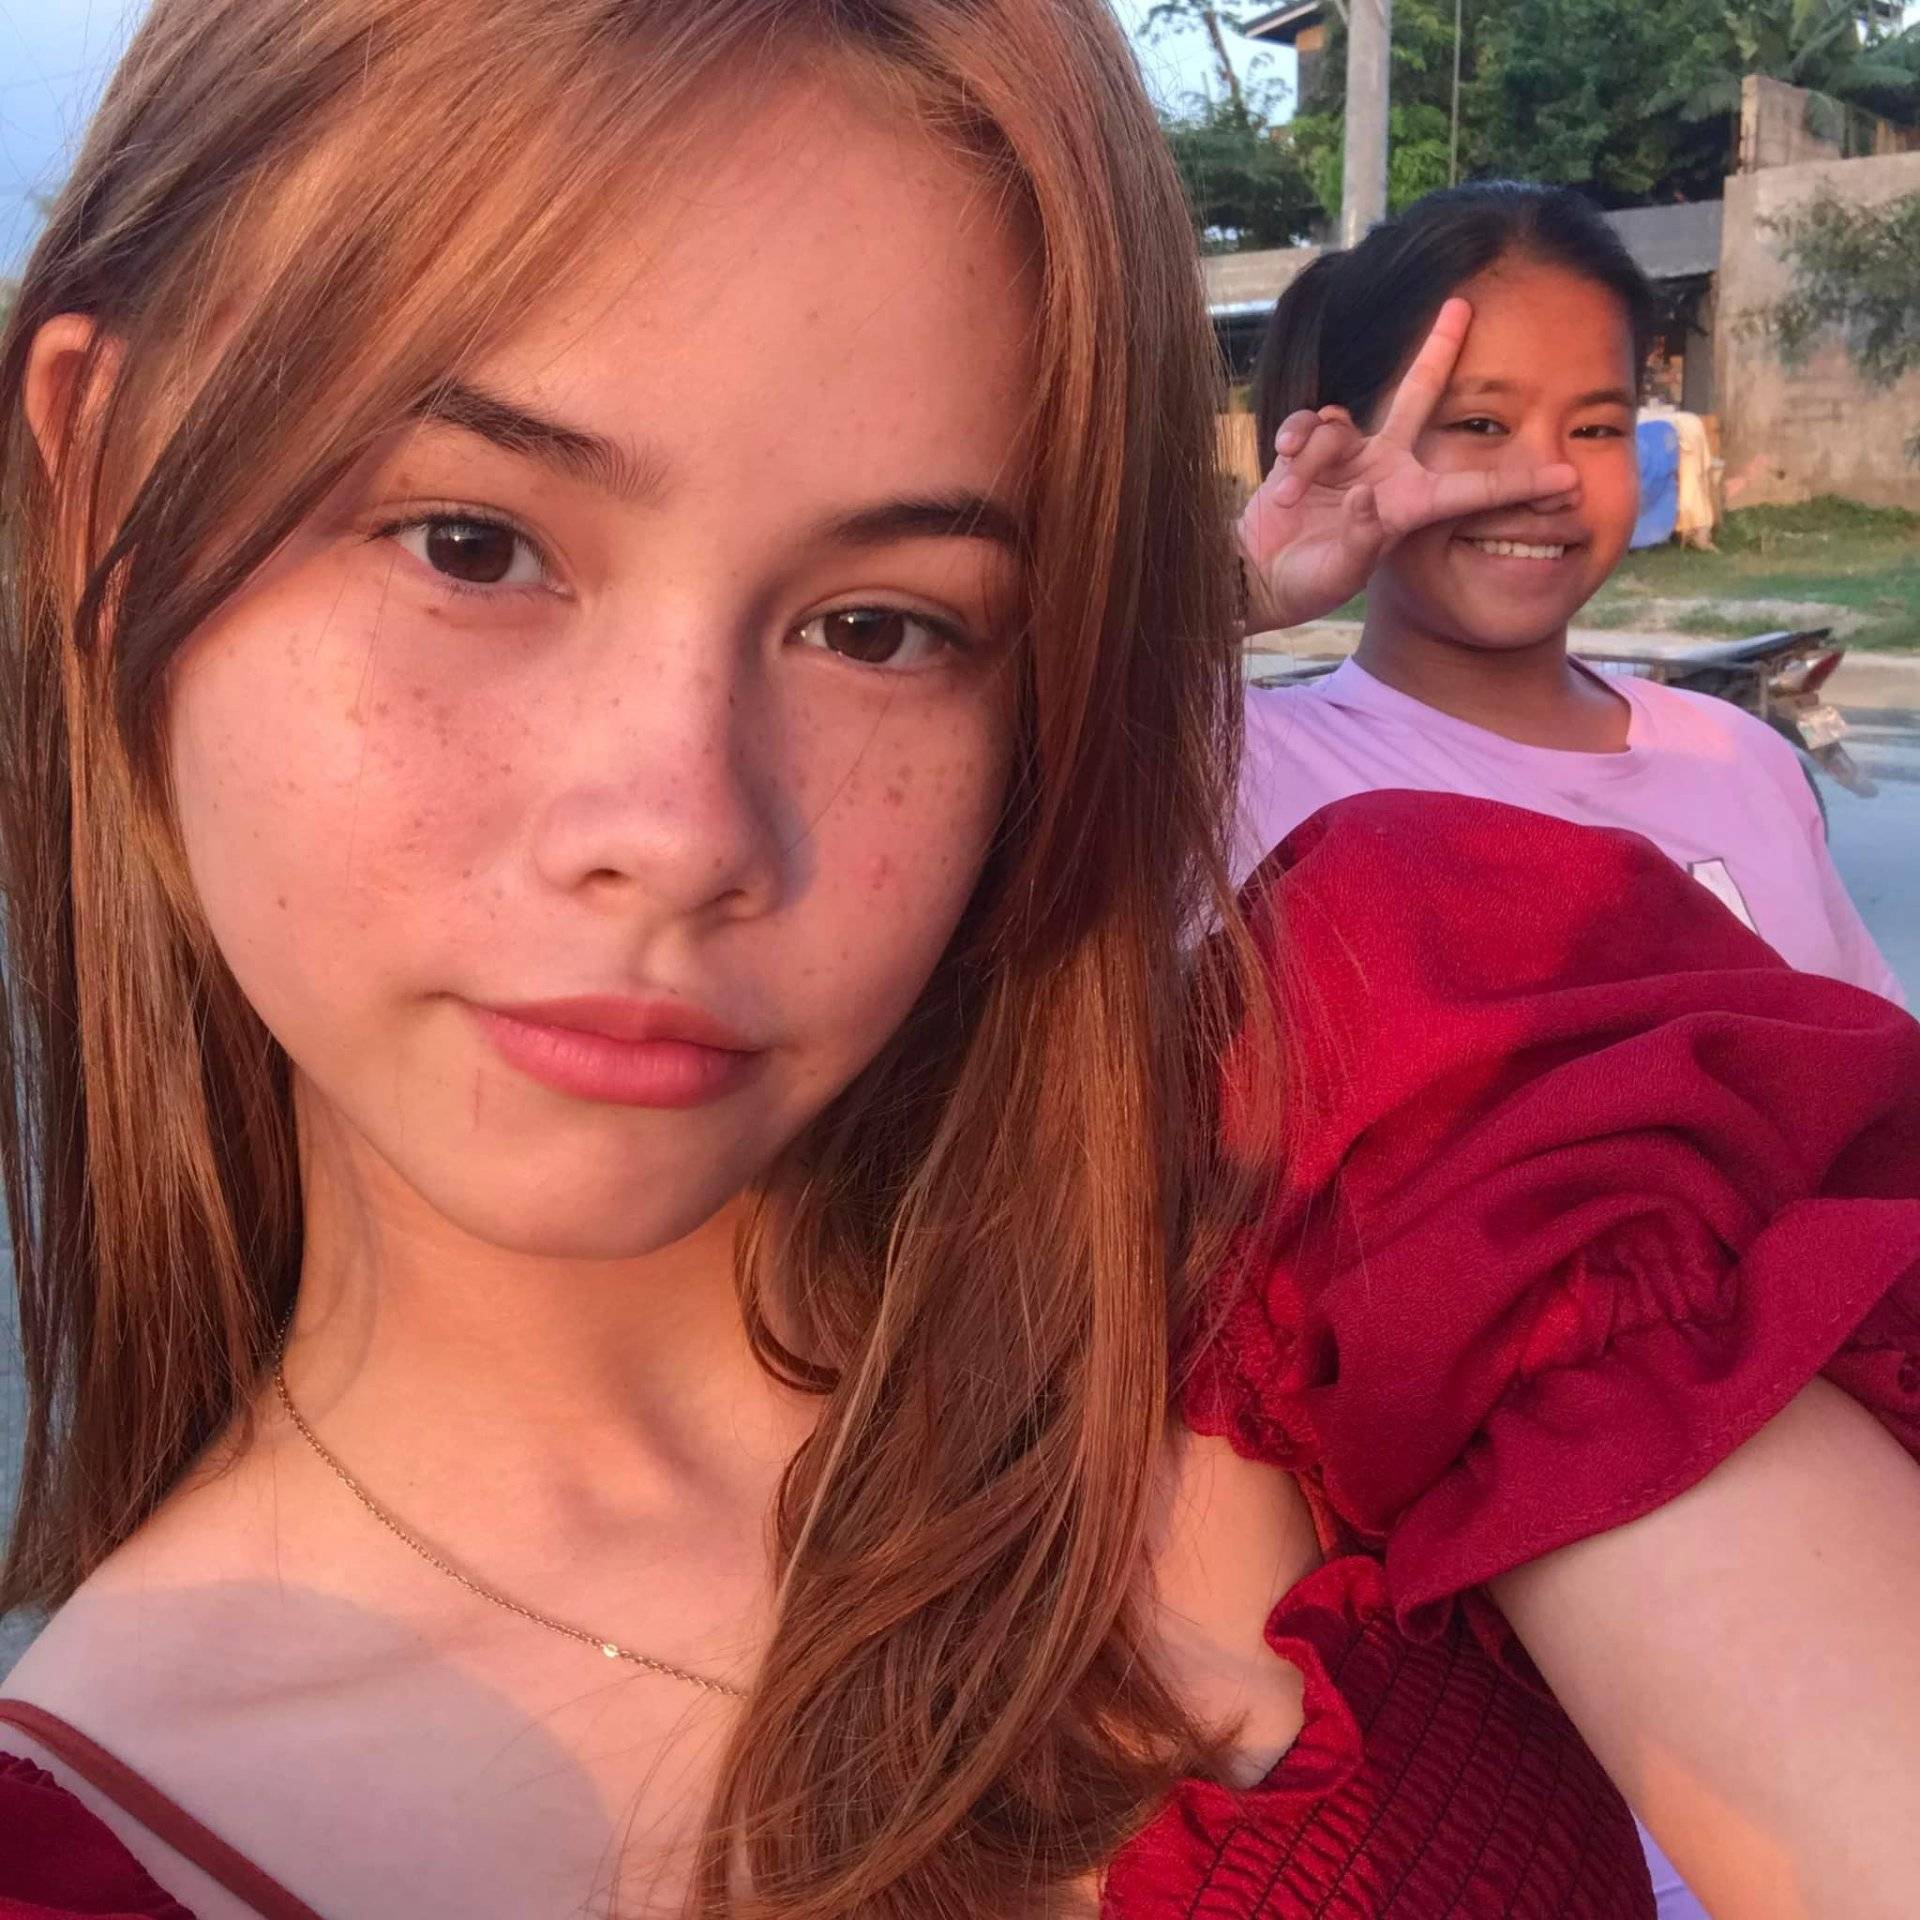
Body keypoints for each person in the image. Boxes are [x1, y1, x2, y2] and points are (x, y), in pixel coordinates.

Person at [0, 6, 1917, 1919]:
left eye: (882, 627)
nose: (681, 827)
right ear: (103, 487)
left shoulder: (1379, 1154)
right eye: (469, 544)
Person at [1236, 183, 1904, 1006]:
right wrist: (1240, 582)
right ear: (1339, 444)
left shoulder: (1744, 758)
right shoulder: (1232, 771)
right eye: (1480, 424)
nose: (1548, 478)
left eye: (1595, 429)